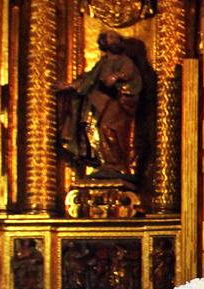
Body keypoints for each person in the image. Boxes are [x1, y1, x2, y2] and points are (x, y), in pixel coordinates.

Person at [56, 30, 145, 180]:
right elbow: (89, 79)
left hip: (118, 101)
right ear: (104, 42)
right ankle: (108, 164)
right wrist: (70, 86)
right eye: (110, 38)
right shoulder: (102, 63)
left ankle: (117, 165)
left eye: (116, 38)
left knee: (109, 127)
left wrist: (116, 76)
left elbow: (129, 73)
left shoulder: (124, 60)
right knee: (97, 129)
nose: (114, 40)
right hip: (102, 102)